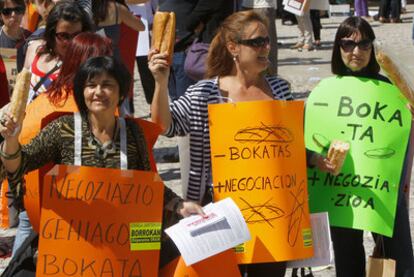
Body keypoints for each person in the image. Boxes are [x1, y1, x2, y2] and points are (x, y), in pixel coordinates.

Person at [0, 56, 204, 267]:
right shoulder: (63, 129)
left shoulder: (133, 133)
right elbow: (20, 165)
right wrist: (12, 139)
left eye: (107, 85)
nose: (98, 92)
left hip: (121, 251)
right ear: (82, 91)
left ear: (121, 92)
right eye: (91, 85)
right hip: (74, 251)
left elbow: (149, 189)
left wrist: (179, 205)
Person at [149, 10, 292, 276]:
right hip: (217, 209)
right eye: (257, 42)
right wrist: (160, 82)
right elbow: (165, 125)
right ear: (233, 48)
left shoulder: (280, 89)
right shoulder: (205, 92)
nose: (265, 48)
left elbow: (290, 149)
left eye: (267, 41)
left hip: (270, 210)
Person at [9, 32, 113, 256]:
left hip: (47, 214)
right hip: (69, 223)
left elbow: (145, 188)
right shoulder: (64, 121)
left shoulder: (42, 104)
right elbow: (22, 162)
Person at [327, 16, 414, 277]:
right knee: (347, 258)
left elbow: (401, 140)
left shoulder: (389, 88)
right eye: (348, 44)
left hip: (383, 188)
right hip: (342, 189)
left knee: (397, 259)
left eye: (365, 45)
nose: (356, 52)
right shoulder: (328, 91)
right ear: (337, 48)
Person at [23, 0, 92, 103]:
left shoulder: (85, 64)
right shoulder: (35, 49)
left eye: (76, 35)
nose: (71, 42)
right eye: (63, 36)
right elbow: (21, 88)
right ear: (51, 33)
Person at [242, 0, 278, 75]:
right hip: (247, 5)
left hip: (263, 5)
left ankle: (269, 76)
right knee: (246, 45)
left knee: (265, 44)